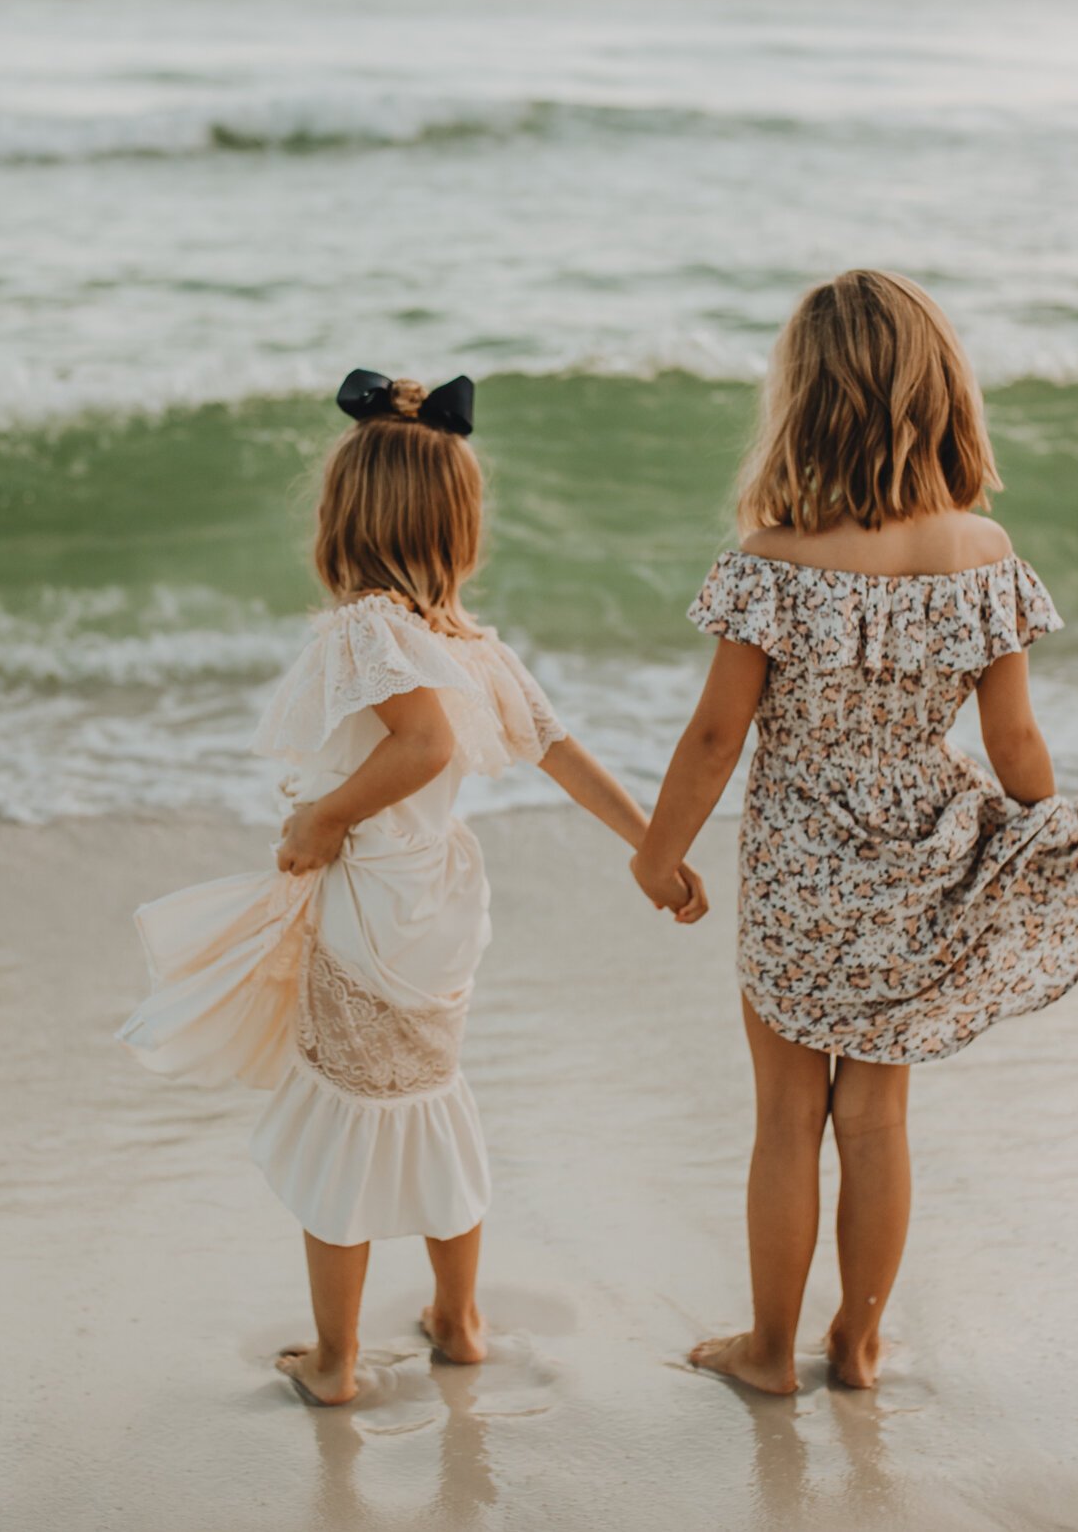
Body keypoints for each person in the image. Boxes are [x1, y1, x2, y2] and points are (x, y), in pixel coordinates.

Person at [629, 271, 1078, 1395]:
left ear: (802, 404)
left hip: (797, 878)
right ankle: (856, 1346)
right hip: (922, 866)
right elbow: (1014, 745)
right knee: (873, 1118)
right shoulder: (981, 554)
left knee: (784, 1118)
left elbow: (716, 736)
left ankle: (768, 1351)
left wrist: (657, 851)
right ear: (942, 397)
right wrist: (1043, 836)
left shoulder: (770, 561)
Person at [120, 368, 705, 1407]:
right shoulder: (471, 642)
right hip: (442, 920)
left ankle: (338, 1361)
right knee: (433, 1106)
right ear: (457, 523)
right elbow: (560, 751)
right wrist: (649, 848)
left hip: (369, 913)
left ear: (345, 519)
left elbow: (424, 744)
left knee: (342, 1117)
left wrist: (324, 814)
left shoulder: (365, 630)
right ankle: (460, 1320)